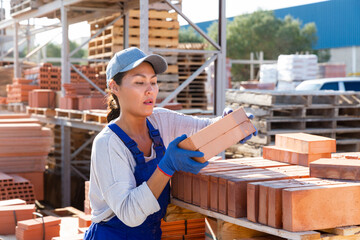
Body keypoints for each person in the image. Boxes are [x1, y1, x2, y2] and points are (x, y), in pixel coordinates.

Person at [84, 47, 256, 240]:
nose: (150, 90)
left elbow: (204, 128)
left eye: (154, 82)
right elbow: (129, 213)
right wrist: (166, 167)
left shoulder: (161, 120)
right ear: (114, 87)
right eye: (139, 82)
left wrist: (229, 125)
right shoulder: (108, 144)